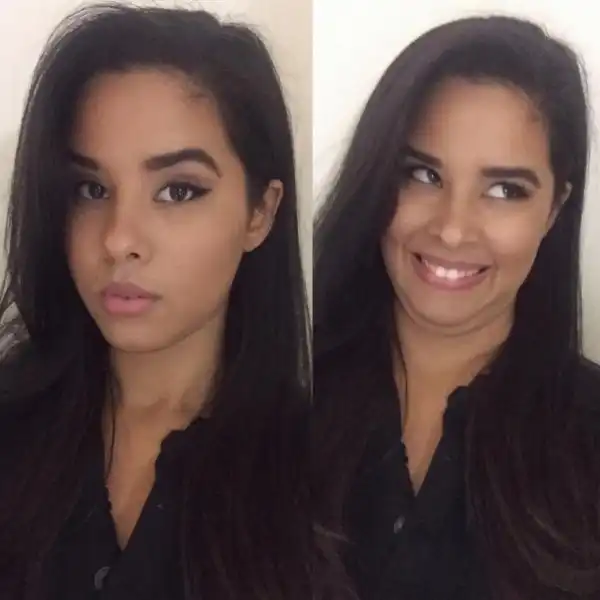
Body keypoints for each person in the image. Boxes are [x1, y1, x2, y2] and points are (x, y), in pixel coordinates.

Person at [0, 4, 311, 599]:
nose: (118, 239)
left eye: (178, 191)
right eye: (91, 188)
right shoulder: (14, 429)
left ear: (260, 212)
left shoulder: (324, 471)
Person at [313, 15, 600, 600]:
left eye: (505, 190)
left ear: (554, 208)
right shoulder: (275, 396)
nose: (451, 229)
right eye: (423, 174)